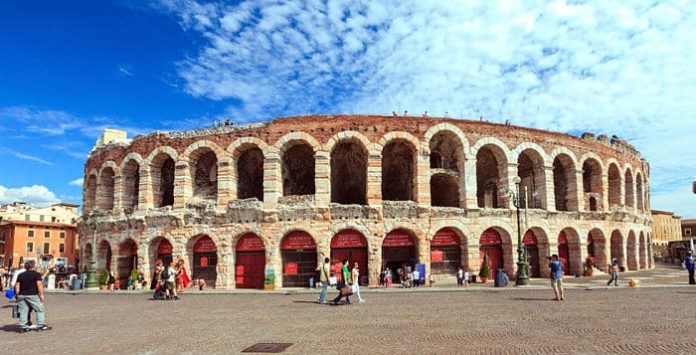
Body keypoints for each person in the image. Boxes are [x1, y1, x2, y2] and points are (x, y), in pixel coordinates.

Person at [15, 260, 51, 332]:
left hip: (22, 295)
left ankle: (23, 326)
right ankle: (41, 325)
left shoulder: (21, 275)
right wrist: (41, 294)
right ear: (34, 266)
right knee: (39, 309)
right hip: (32, 294)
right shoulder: (36, 274)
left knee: (23, 311)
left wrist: (17, 294)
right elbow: (39, 285)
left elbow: (17, 286)